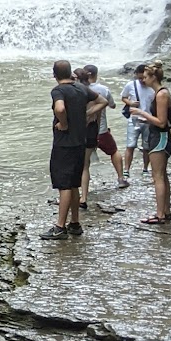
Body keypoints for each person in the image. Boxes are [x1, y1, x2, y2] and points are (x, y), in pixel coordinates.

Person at [43, 56, 89, 240]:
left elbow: (60, 109)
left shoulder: (58, 91)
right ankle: (75, 223)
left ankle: (60, 227)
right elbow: (102, 100)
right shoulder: (81, 88)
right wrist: (86, 115)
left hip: (64, 144)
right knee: (74, 184)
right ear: (70, 72)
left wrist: (63, 123)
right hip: (80, 142)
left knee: (64, 186)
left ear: (54, 75)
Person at [127, 59, 171, 226]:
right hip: (160, 136)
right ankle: (165, 211)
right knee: (162, 175)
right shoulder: (161, 93)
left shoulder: (161, 94)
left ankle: (160, 215)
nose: (143, 80)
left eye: (145, 77)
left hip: (160, 137)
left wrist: (141, 113)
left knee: (158, 176)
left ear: (153, 78)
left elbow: (161, 122)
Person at [75, 64, 123, 207]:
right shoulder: (102, 90)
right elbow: (112, 105)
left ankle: (80, 195)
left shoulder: (76, 91)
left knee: (83, 165)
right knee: (113, 151)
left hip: (80, 133)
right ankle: (121, 178)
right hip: (100, 131)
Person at [121, 63, 153, 178]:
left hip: (149, 121)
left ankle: (145, 168)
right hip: (134, 119)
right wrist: (130, 103)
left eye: (143, 78)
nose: (142, 80)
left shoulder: (153, 87)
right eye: (139, 78)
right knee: (130, 145)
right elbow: (123, 97)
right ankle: (126, 170)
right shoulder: (131, 85)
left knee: (147, 147)